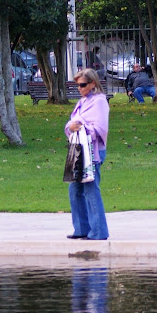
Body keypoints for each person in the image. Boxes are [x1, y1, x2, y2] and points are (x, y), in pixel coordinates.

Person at [64, 68, 110, 241]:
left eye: (83, 85)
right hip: (77, 150)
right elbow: (70, 124)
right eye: (78, 85)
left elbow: (100, 128)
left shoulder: (99, 101)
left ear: (93, 84)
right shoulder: (82, 102)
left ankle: (98, 231)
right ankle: (82, 229)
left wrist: (81, 126)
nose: (80, 88)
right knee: (74, 189)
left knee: (90, 188)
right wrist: (71, 126)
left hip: (92, 151)